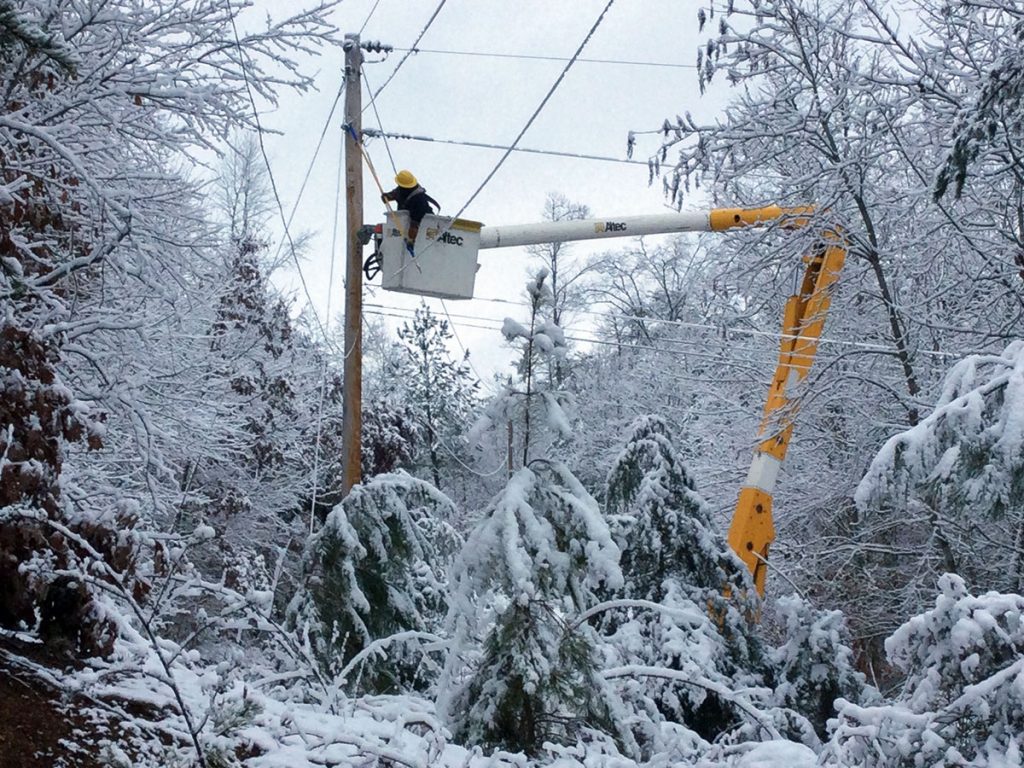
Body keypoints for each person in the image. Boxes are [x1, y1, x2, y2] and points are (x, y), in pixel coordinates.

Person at [381, 170, 440, 255]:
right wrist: (387, 197)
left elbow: (414, 224)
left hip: (424, 224)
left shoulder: (419, 199)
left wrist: (411, 241)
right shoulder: (402, 189)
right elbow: (394, 194)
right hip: (407, 223)